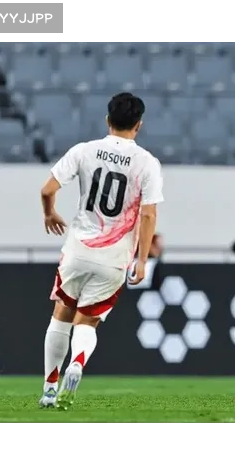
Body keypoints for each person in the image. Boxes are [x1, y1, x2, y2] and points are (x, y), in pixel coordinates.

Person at [38, 92, 164, 409]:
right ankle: (77, 363)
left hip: (78, 249)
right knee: (88, 322)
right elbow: (149, 215)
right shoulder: (147, 163)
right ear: (139, 125)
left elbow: (47, 190)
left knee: (61, 315)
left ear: (108, 120)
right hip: (114, 258)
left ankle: (49, 390)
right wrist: (142, 260)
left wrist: (49, 213)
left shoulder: (84, 150)